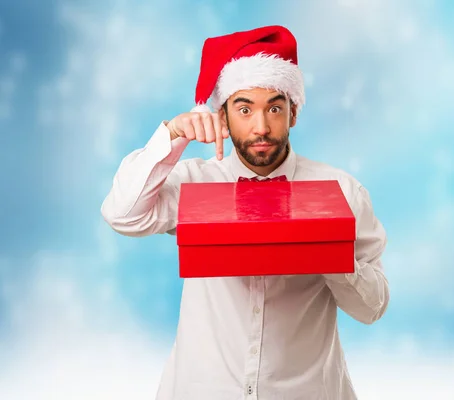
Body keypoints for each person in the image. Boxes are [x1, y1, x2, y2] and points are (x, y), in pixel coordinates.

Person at [101, 25, 389, 400]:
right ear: (222, 116)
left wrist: (329, 248)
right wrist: (172, 135)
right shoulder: (195, 182)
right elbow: (122, 214)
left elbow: (373, 307)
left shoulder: (343, 192)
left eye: (274, 107)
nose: (261, 127)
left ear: (294, 113)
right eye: (244, 108)